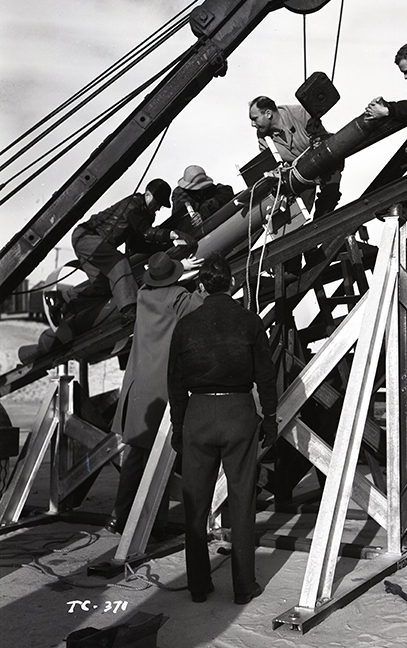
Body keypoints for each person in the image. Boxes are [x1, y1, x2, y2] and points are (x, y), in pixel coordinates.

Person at [168, 253, 278, 604]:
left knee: (195, 506)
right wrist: (271, 418)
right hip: (238, 413)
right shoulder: (249, 321)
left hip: (198, 415)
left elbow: (175, 382)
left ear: (201, 285)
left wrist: (178, 425)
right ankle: (244, 586)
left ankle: (199, 585)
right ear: (232, 284)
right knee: (242, 502)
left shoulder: (185, 326)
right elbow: (266, 375)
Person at [105, 252, 204, 537]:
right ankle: (156, 524)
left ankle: (117, 516)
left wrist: (178, 271)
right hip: (162, 388)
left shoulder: (143, 295)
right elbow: (207, 302)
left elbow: (159, 283)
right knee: (161, 456)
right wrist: (193, 275)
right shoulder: (179, 298)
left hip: (138, 387)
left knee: (136, 456)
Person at [66, 179, 195, 324]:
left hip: (91, 242)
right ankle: (129, 311)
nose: (158, 208)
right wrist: (172, 234)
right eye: (157, 202)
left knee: (104, 287)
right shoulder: (133, 206)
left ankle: (67, 301)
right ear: (147, 195)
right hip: (86, 237)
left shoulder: (146, 214)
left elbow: (135, 242)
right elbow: (145, 232)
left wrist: (159, 247)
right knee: (119, 263)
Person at [248, 95, 342, 218]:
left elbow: (322, 138)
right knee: (299, 209)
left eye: (254, 119)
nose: (252, 124)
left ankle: (320, 224)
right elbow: (274, 166)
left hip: (324, 160)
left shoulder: (299, 113)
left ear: (268, 113)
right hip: (299, 174)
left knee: (330, 194)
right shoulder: (263, 138)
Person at [171, 165, 234, 234]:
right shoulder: (180, 196)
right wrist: (197, 217)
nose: (201, 191)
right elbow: (184, 222)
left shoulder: (206, 188)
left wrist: (207, 208)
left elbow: (226, 191)